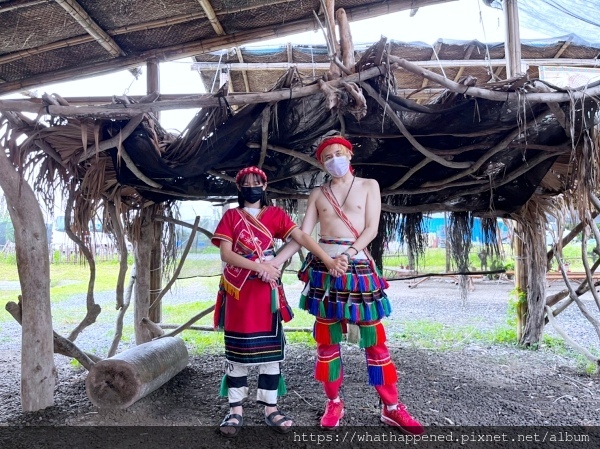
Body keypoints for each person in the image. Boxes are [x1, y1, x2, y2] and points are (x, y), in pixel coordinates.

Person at [270, 136, 425, 435]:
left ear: (350, 154)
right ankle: (333, 402)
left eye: (339, 153)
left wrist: (347, 254)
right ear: (321, 163)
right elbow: (303, 235)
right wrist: (273, 263)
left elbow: (371, 228)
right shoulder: (318, 193)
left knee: (375, 341)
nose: (334, 159)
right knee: (327, 342)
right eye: (327, 157)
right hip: (324, 271)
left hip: (358, 267)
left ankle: (391, 408)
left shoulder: (370, 185)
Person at [212, 165, 347, 437]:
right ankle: (235, 409)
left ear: (264, 187)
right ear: (239, 188)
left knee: (269, 355)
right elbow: (226, 255)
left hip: (266, 292)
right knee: (237, 354)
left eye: (257, 182)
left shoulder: (275, 215)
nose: (252, 187)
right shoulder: (230, 216)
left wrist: (327, 259)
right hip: (238, 291)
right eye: (246, 183)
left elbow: (300, 239)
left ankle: (270, 408)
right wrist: (258, 267)